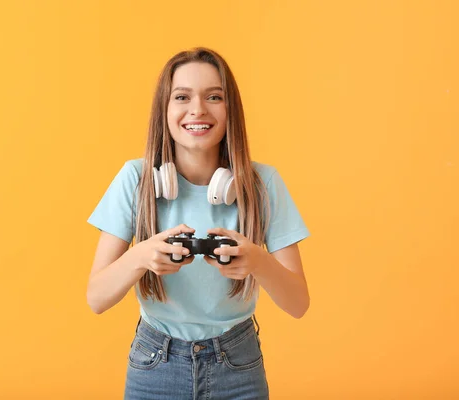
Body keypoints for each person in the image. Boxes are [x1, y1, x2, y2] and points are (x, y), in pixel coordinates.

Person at [86, 47, 310, 400]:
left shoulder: (262, 183)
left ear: (229, 109)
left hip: (238, 363)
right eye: (182, 97)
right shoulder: (135, 179)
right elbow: (96, 298)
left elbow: (298, 304)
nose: (198, 109)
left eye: (214, 96)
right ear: (165, 109)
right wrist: (141, 256)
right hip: (155, 363)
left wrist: (258, 261)